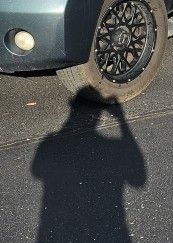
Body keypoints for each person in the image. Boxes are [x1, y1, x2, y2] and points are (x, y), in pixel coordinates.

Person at [31, 88, 147, 242]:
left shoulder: (50, 142)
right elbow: (138, 179)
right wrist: (122, 122)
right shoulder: (112, 147)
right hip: (108, 229)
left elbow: (36, 171)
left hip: (57, 227)